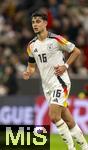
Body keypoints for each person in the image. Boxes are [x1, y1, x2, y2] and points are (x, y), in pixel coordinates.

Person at [23, 10, 88, 150]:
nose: (35, 24)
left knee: (53, 116)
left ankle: (71, 148)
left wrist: (65, 66)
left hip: (60, 82)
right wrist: (28, 72)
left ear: (45, 23)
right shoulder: (31, 46)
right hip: (47, 86)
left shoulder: (56, 39)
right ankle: (84, 147)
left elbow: (76, 51)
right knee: (68, 120)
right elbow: (32, 66)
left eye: (38, 21)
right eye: (33, 22)